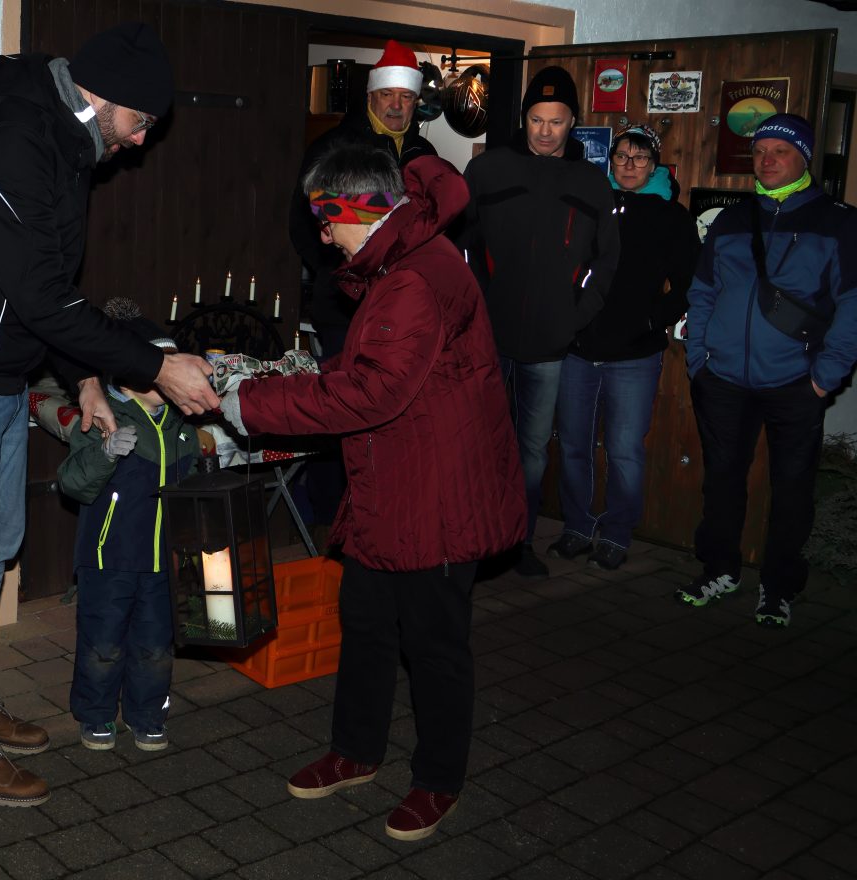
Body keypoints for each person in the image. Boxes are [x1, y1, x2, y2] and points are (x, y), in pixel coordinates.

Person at [0, 22, 219, 807]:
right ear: (101, 98)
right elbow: (42, 296)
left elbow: (48, 286)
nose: (141, 141)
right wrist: (154, 366)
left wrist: (84, 379)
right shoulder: (10, 141)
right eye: (141, 123)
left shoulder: (63, 146)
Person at [220, 143, 525, 842]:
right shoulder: (400, 262)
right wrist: (297, 378)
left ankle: (439, 780)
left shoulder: (416, 276)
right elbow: (372, 363)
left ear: (356, 208)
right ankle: (356, 750)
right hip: (390, 483)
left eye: (326, 221)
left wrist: (254, 404)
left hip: (435, 496)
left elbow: (374, 392)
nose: (324, 238)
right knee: (364, 626)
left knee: (434, 645)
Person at [677, 113, 857, 626]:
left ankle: (778, 587)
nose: (767, 160)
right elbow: (703, 292)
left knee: (793, 489)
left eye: (780, 151)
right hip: (723, 380)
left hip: (796, 383)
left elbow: (853, 305)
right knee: (722, 482)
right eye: (759, 151)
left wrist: (824, 377)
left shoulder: (839, 222)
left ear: (805, 157)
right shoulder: (732, 219)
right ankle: (720, 569)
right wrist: (699, 359)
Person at [461, 65, 619, 579]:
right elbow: (460, 245)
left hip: (550, 342)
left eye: (556, 121)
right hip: (488, 336)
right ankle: (475, 542)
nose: (545, 131)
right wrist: (473, 308)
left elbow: (606, 261)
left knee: (531, 451)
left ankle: (519, 542)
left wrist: (575, 316)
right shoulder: (486, 171)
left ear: (573, 122)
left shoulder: (590, 182)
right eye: (536, 119)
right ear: (523, 118)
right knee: (480, 442)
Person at [288, 41, 437, 542]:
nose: (397, 105)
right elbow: (304, 225)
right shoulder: (336, 149)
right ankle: (330, 515)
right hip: (346, 305)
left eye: (406, 98)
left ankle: (381, 511)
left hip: (402, 308)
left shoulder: (423, 156)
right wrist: (344, 274)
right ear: (371, 97)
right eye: (388, 95)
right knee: (341, 405)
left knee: (392, 410)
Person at [549, 124, 699, 570]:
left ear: (655, 165)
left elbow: (692, 282)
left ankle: (616, 534)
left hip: (635, 354)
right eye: (621, 156)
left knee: (625, 450)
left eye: (640, 157)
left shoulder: (672, 217)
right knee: (573, 445)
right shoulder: (591, 204)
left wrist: (654, 318)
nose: (630, 165)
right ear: (610, 161)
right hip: (579, 349)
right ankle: (577, 527)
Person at [57, 299, 199, 753]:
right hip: (108, 559)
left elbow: (194, 485)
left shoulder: (181, 425)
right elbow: (72, 482)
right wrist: (106, 452)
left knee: (155, 644)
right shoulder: (103, 417)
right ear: (128, 375)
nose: (171, 376)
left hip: (162, 562)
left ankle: (148, 713)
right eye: (161, 366)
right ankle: (96, 713)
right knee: (103, 642)